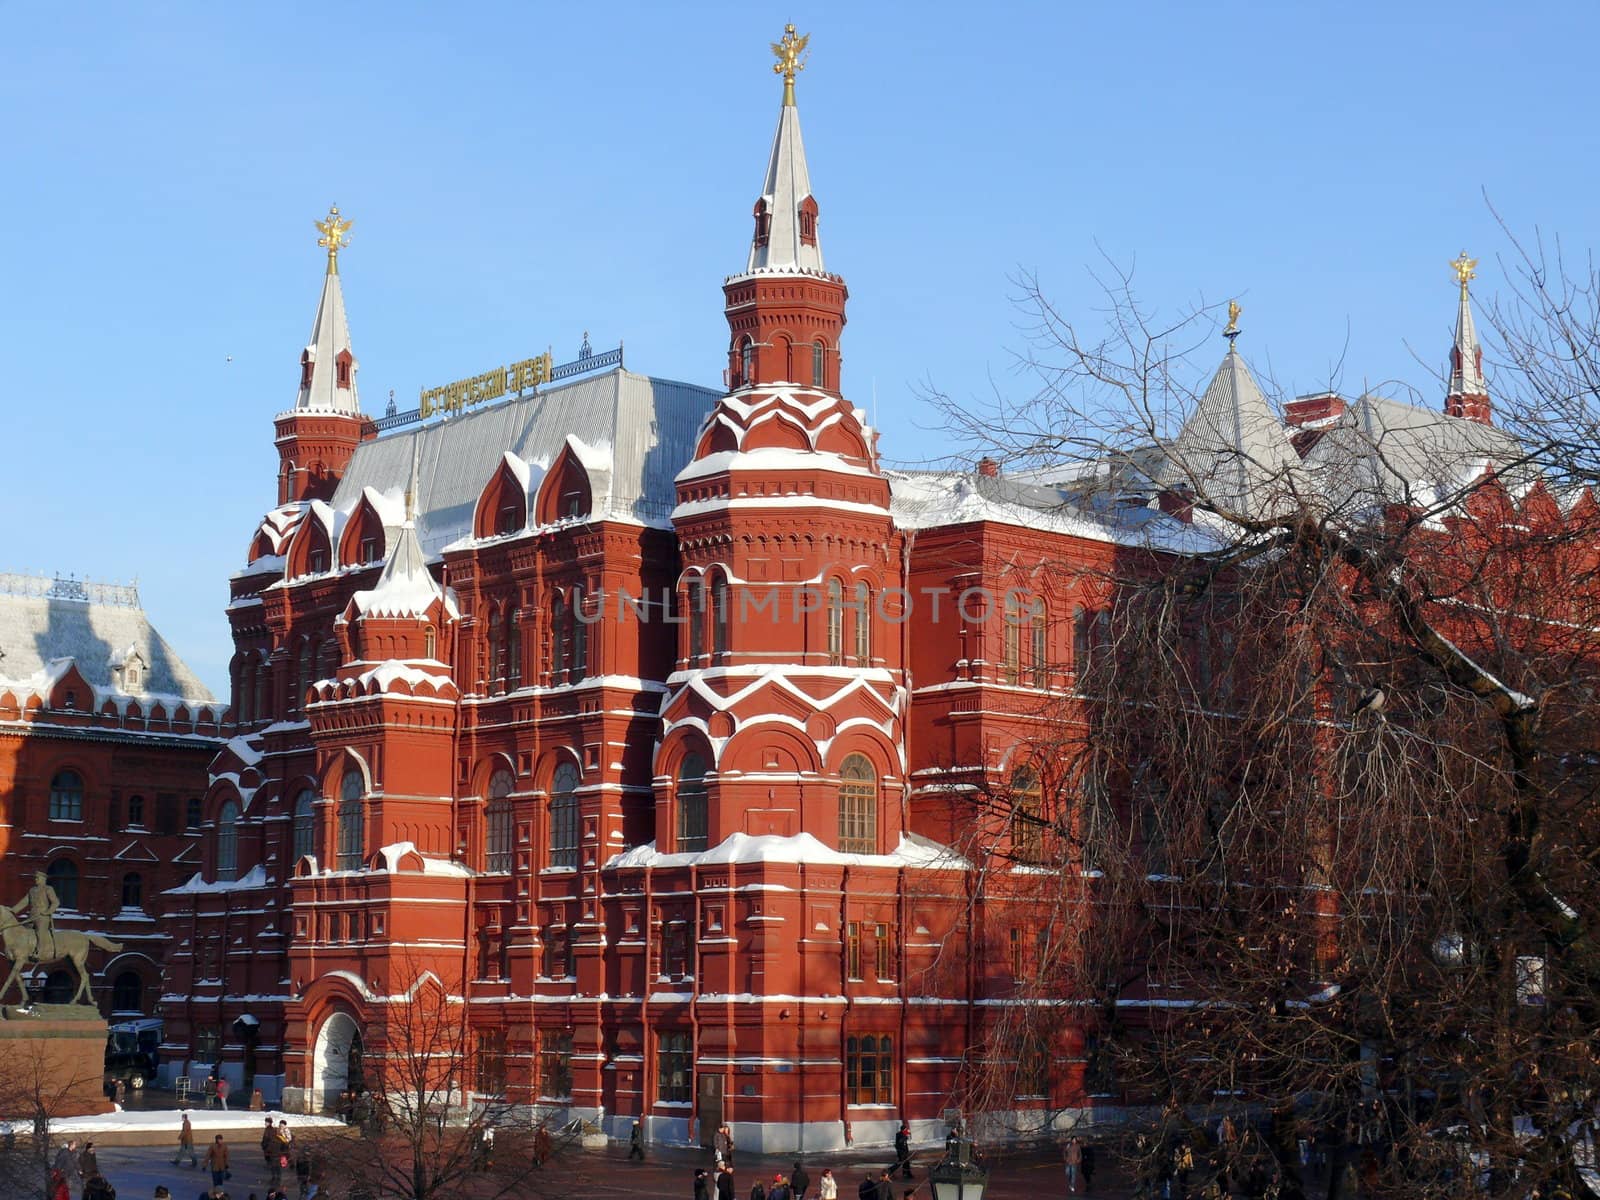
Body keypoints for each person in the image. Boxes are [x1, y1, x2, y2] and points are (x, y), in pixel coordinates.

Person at [11, 869, 60, 959]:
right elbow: (24, 902)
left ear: (43, 879)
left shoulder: (48, 889)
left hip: (42, 916)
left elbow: (55, 902)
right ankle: (25, 949)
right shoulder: (32, 890)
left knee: (40, 933)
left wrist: (48, 912)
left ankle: (39, 952)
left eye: (37, 878)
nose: (35, 879)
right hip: (32, 916)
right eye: (35, 878)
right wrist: (13, 910)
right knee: (23, 931)